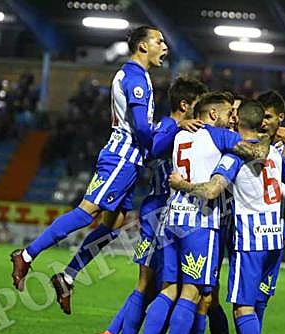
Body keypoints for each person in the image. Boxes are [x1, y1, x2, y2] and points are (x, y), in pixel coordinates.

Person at [9, 26, 168, 315]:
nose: (165, 47)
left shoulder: (136, 75)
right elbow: (143, 129)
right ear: (143, 46)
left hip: (127, 160)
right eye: (159, 41)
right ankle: (27, 254)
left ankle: (67, 277)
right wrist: (166, 135)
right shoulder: (135, 77)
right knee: (87, 211)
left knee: (115, 223)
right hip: (122, 158)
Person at [131, 92, 271, 334]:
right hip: (200, 222)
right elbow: (257, 153)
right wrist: (266, 134)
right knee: (192, 293)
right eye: (225, 113)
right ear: (211, 115)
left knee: (168, 289)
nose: (230, 118)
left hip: (171, 219)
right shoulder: (218, 136)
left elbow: (156, 148)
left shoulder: (181, 136)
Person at [89, 77, 208, 334]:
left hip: (160, 211)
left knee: (152, 287)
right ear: (185, 105)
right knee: (151, 286)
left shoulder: (180, 129)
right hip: (162, 212)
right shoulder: (170, 126)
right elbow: (155, 148)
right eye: (199, 105)